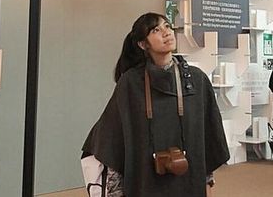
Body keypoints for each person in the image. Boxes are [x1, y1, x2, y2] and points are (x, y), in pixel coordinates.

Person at [82, 13, 230, 197]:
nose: (166, 32)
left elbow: (206, 134)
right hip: (144, 180)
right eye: (156, 30)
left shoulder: (196, 80)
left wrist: (208, 180)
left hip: (188, 178)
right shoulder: (131, 83)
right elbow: (114, 136)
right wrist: (115, 189)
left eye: (167, 26)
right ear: (143, 44)